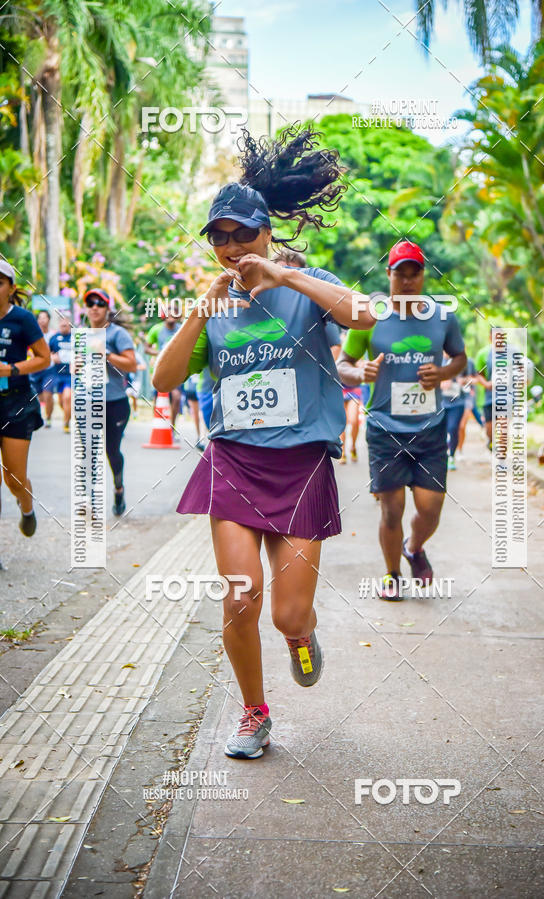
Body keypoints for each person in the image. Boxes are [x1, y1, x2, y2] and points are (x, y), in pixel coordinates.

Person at [153, 126, 373, 759]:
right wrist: (201, 309)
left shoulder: (308, 285)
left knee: (287, 615)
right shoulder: (215, 307)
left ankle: (301, 637)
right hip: (234, 462)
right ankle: (254, 713)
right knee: (241, 596)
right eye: (218, 237)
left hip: (301, 465)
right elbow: (164, 379)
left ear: (267, 232)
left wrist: (286, 278)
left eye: (242, 234)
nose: (230, 247)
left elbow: (364, 315)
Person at [337, 240, 466, 599]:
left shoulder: (442, 317)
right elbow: (343, 365)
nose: (408, 281)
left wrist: (442, 374)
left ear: (423, 275)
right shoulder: (369, 318)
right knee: (391, 510)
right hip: (384, 428)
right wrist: (361, 371)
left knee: (430, 509)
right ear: (388, 275)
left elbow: (459, 358)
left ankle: (414, 547)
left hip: (430, 428)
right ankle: (392, 575)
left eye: (415, 273)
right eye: (400, 274)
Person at [0, 261, 51, 560]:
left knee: (14, 478)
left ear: (11, 288)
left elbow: (44, 358)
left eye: (0, 282)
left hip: (16, 403)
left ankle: (27, 508)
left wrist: (11, 369)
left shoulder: (23, 319)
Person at [82, 288, 137, 516]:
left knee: (111, 451)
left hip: (115, 403)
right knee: (88, 452)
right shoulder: (83, 335)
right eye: (90, 303)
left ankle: (118, 489)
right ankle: (91, 500)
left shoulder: (117, 334)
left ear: (107, 308)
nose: (94, 307)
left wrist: (106, 354)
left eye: (100, 303)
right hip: (88, 402)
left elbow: (132, 364)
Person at [145, 305, 183, 439]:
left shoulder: (182, 328)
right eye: (169, 313)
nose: (171, 316)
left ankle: (172, 428)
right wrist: (160, 353)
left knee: (176, 397)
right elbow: (146, 348)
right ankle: (158, 425)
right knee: (158, 399)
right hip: (159, 369)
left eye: (174, 313)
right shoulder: (156, 329)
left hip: (177, 369)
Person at [29, 309, 55, 426]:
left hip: (49, 370)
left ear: (49, 319)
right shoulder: (32, 334)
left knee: (48, 394)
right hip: (35, 370)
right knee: (39, 397)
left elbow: (56, 350)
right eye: (40, 318)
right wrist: (32, 355)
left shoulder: (53, 335)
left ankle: (48, 418)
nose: (42, 320)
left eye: (44, 317)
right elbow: (27, 348)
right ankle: (41, 416)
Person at [48, 312, 73, 433]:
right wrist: (52, 357)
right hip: (57, 374)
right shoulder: (54, 338)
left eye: (66, 323)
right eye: (62, 323)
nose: (64, 325)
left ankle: (66, 423)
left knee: (68, 397)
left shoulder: (76, 337)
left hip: (71, 374)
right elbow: (47, 354)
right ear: (59, 324)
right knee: (62, 401)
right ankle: (68, 414)